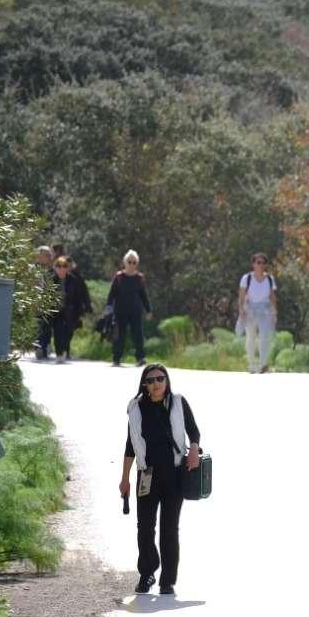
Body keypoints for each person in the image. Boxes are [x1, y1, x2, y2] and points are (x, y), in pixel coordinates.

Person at [118, 363, 201, 596]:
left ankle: (167, 580)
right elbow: (130, 445)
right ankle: (147, 573)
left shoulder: (178, 402)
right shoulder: (136, 409)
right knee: (144, 527)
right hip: (146, 474)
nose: (156, 383)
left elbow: (193, 431)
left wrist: (194, 449)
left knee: (169, 528)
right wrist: (125, 478)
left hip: (174, 473)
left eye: (160, 379)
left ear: (167, 381)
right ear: (144, 384)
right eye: (151, 380)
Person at [106, 250, 153, 367]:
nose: (131, 264)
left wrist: (148, 310)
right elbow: (112, 294)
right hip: (120, 311)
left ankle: (140, 358)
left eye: (134, 262)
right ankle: (116, 358)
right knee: (119, 335)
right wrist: (108, 307)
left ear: (137, 264)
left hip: (136, 311)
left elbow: (144, 295)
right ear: (125, 262)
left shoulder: (139, 278)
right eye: (129, 262)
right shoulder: (119, 277)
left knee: (138, 334)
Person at [41, 254, 91, 362]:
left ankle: (64, 349)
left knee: (68, 332)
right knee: (58, 332)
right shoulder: (52, 279)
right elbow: (46, 296)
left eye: (64, 266)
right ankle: (59, 353)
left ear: (67, 268)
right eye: (59, 266)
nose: (61, 268)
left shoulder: (72, 280)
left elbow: (78, 297)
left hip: (70, 311)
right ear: (55, 267)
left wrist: (81, 311)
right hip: (56, 311)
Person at [236, 253, 279, 375]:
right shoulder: (247, 278)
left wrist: (275, 312)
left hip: (265, 310)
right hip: (250, 309)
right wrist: (241, 309)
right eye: (258, 262)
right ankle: (251, 365)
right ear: (253, 264)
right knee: (251, 337)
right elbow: (241, 295)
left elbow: (272, 296)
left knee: (264, 336)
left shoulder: (269, 279)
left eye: (263, 263)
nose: (260, 265)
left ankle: (263, 364)